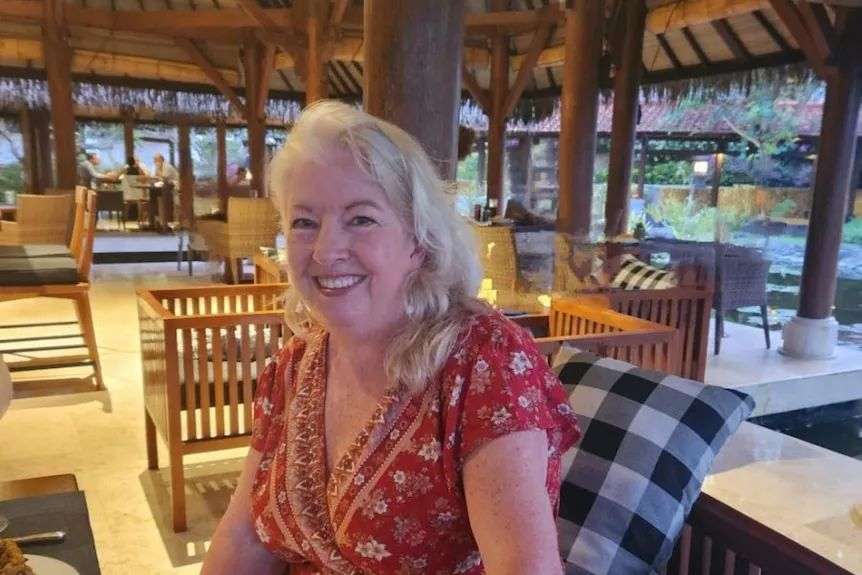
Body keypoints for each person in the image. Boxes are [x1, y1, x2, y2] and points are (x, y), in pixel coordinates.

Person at [201, 101, 580, 574]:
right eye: (304, 222)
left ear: (418, 240)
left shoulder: (483, 364)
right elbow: (244, 535)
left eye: (360, 219)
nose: (324, 250)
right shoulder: (295, 364)